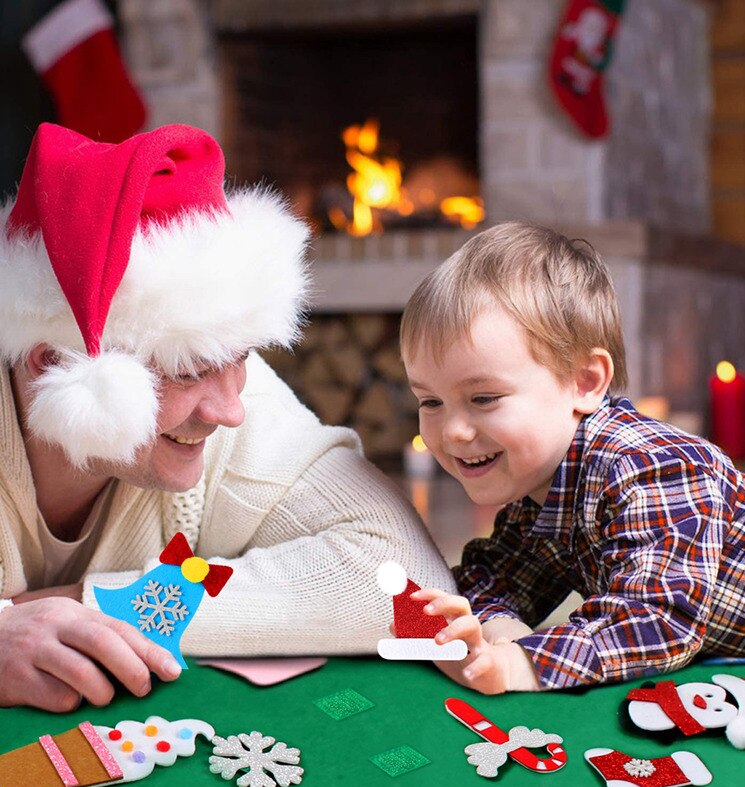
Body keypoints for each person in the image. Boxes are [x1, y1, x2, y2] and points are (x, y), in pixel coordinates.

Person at [0, 122, 454, 712]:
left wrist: (81, 605)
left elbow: (409, 584)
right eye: (188, 371)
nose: (231, 411)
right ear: (53, 363)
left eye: (239, 358)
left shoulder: (224, 376)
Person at [399, 222, 745, 694]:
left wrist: (518, 665)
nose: (453, 431)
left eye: (484, 398)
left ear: (585, 383)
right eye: (430, 402)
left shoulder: (653, 468)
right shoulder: (540, 495)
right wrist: (495, 632)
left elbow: (655, 619)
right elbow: (491, 578)